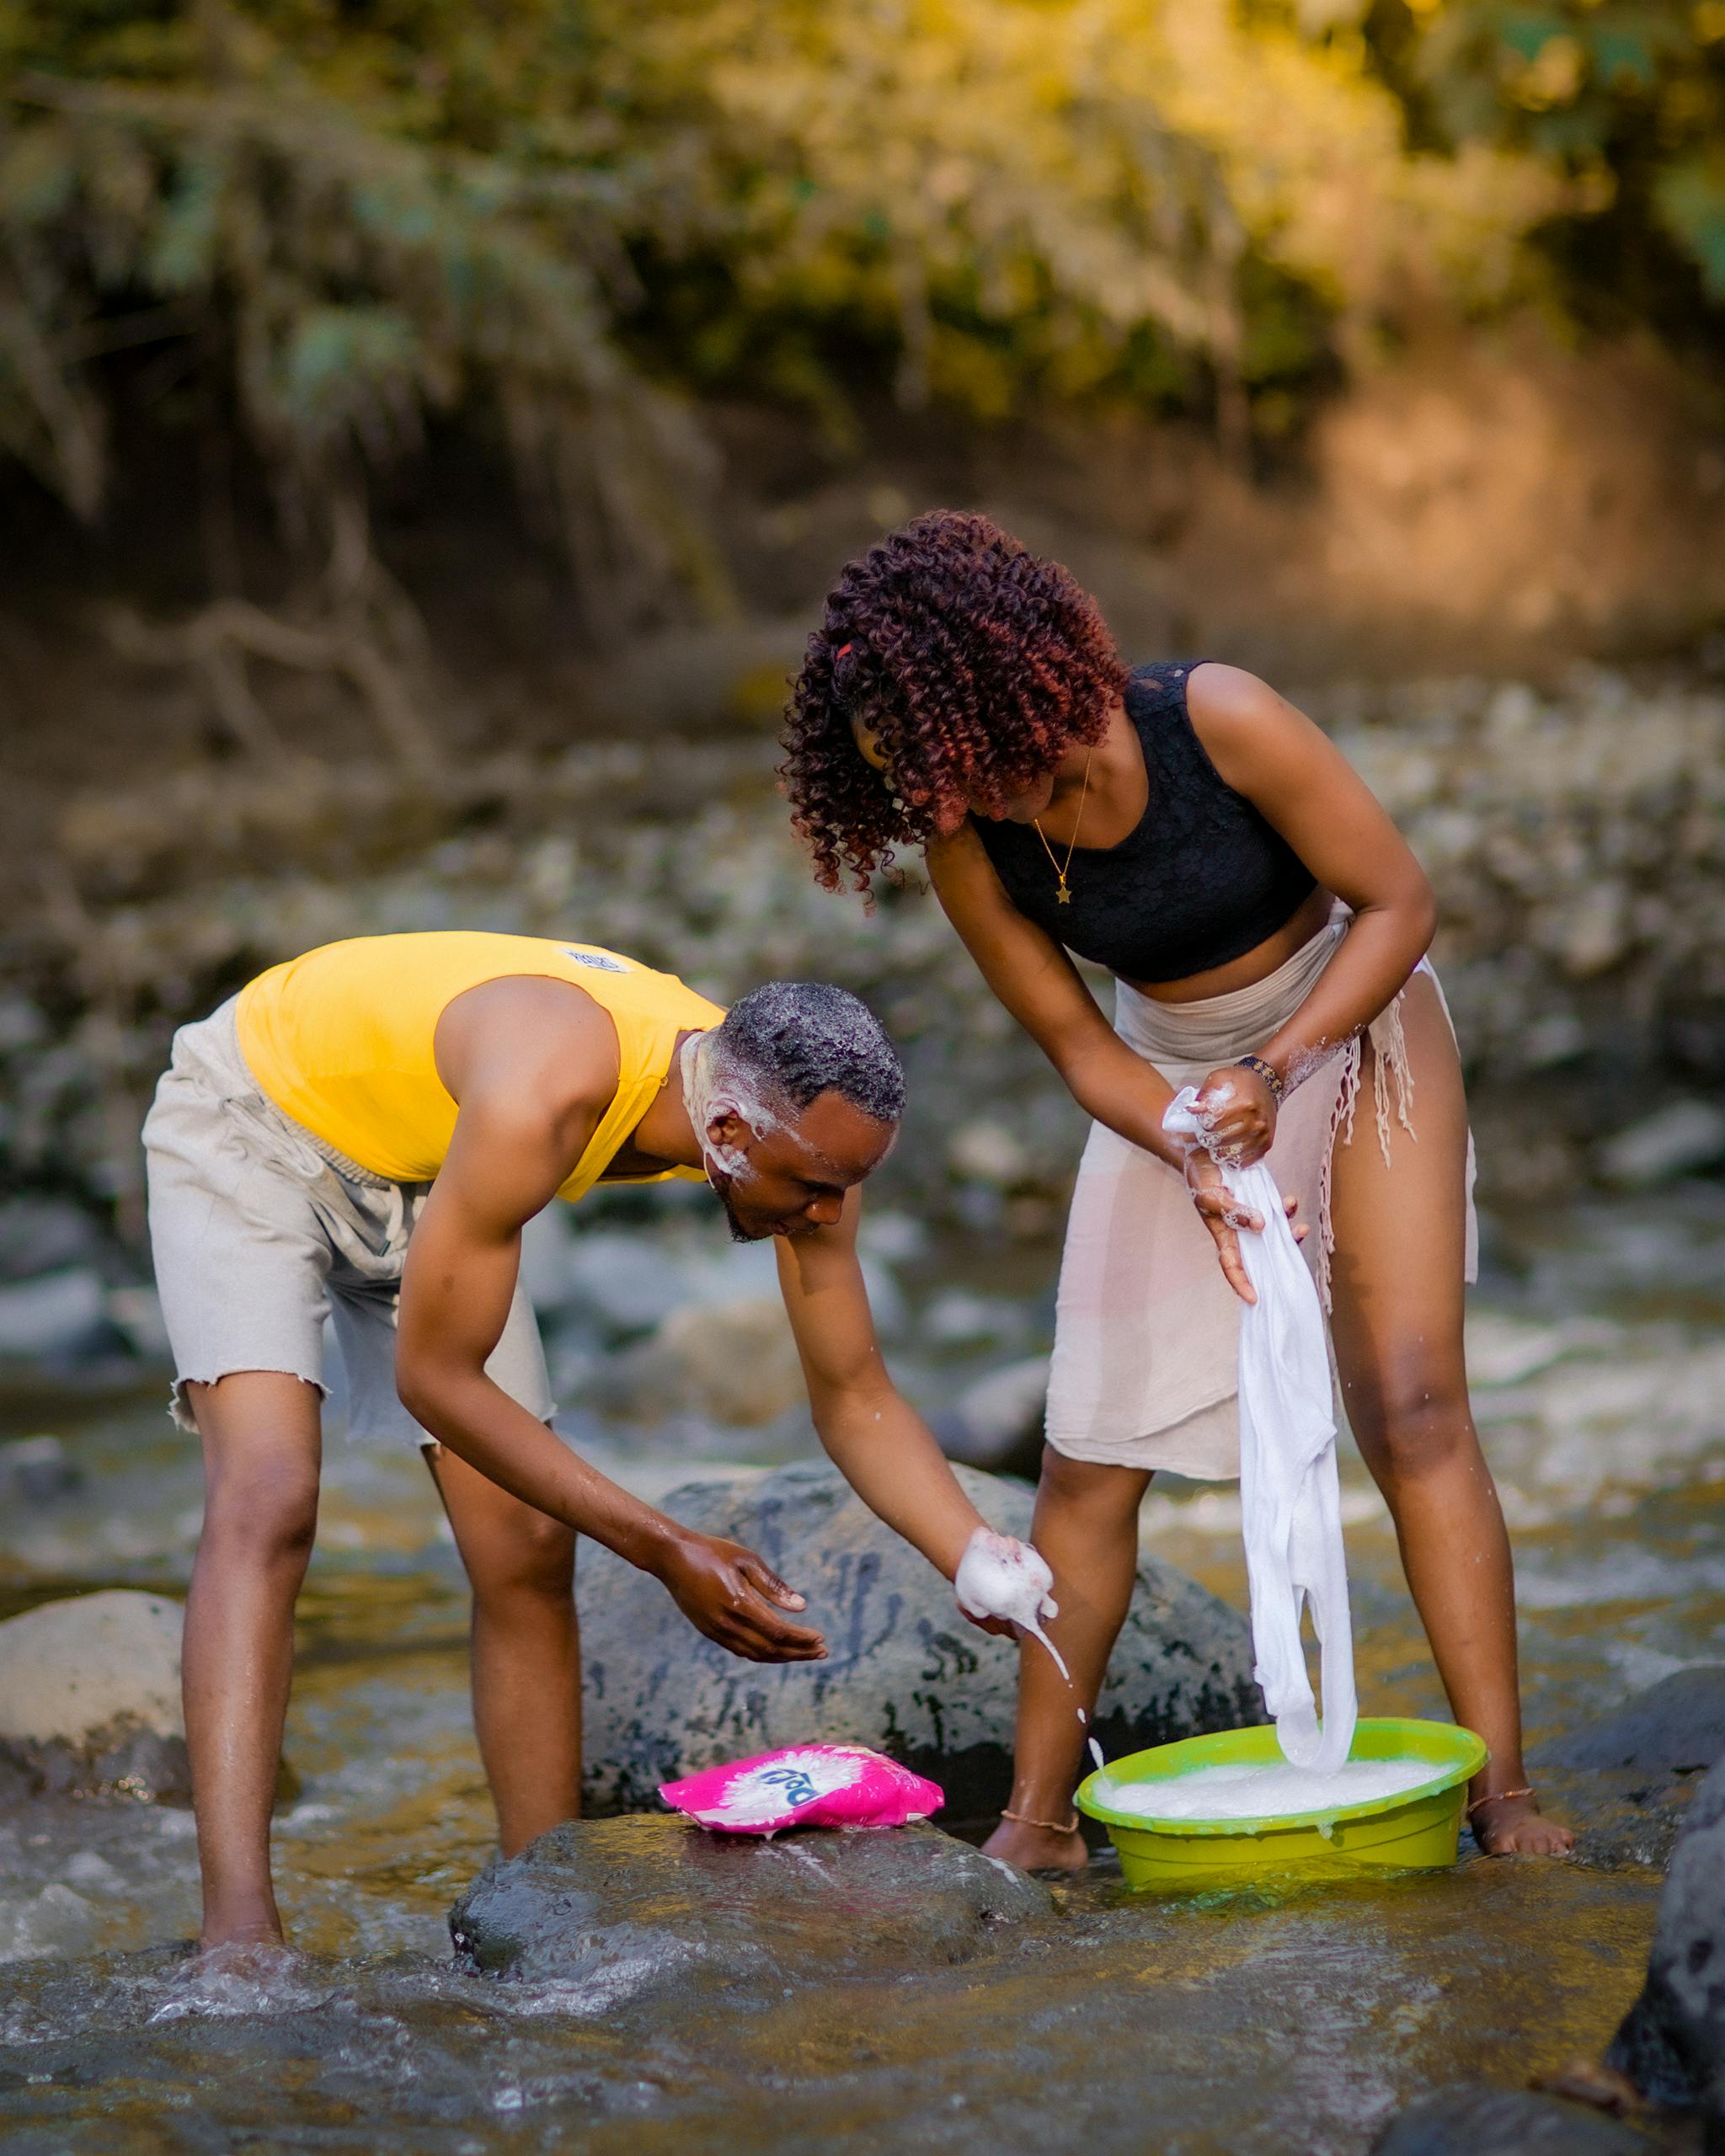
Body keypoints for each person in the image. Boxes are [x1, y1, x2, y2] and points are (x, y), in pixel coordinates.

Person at [780, 510, 1574, 1868]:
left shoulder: (1218, 720)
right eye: (901, 783)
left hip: (1348, 1018)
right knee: (1086, 1454)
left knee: (1408, 1401)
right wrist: (1192, 1145)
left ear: (996, 688)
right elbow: (1082, 1046)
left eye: (933, 760)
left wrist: (1279, 1062)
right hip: (1165, 1082)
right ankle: (1034, 1830)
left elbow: (1395, 904)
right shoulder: (969, 847)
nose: (935, 801)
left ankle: (1500, 1796)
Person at [144, 930, 1025, 1951]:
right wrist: (664, 1547)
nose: (828, 1214)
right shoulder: (550, 1093)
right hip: (259, 1121)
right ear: (729, 1130)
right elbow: (436, 1380)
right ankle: (239, 1935)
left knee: (524, 1542)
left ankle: (544, 1898)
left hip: (442, 1159)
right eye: (815, 1188)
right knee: (271, 1490)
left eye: (845, 1185)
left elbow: (855, 1394)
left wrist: (973, 1553)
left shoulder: (808, 1135)